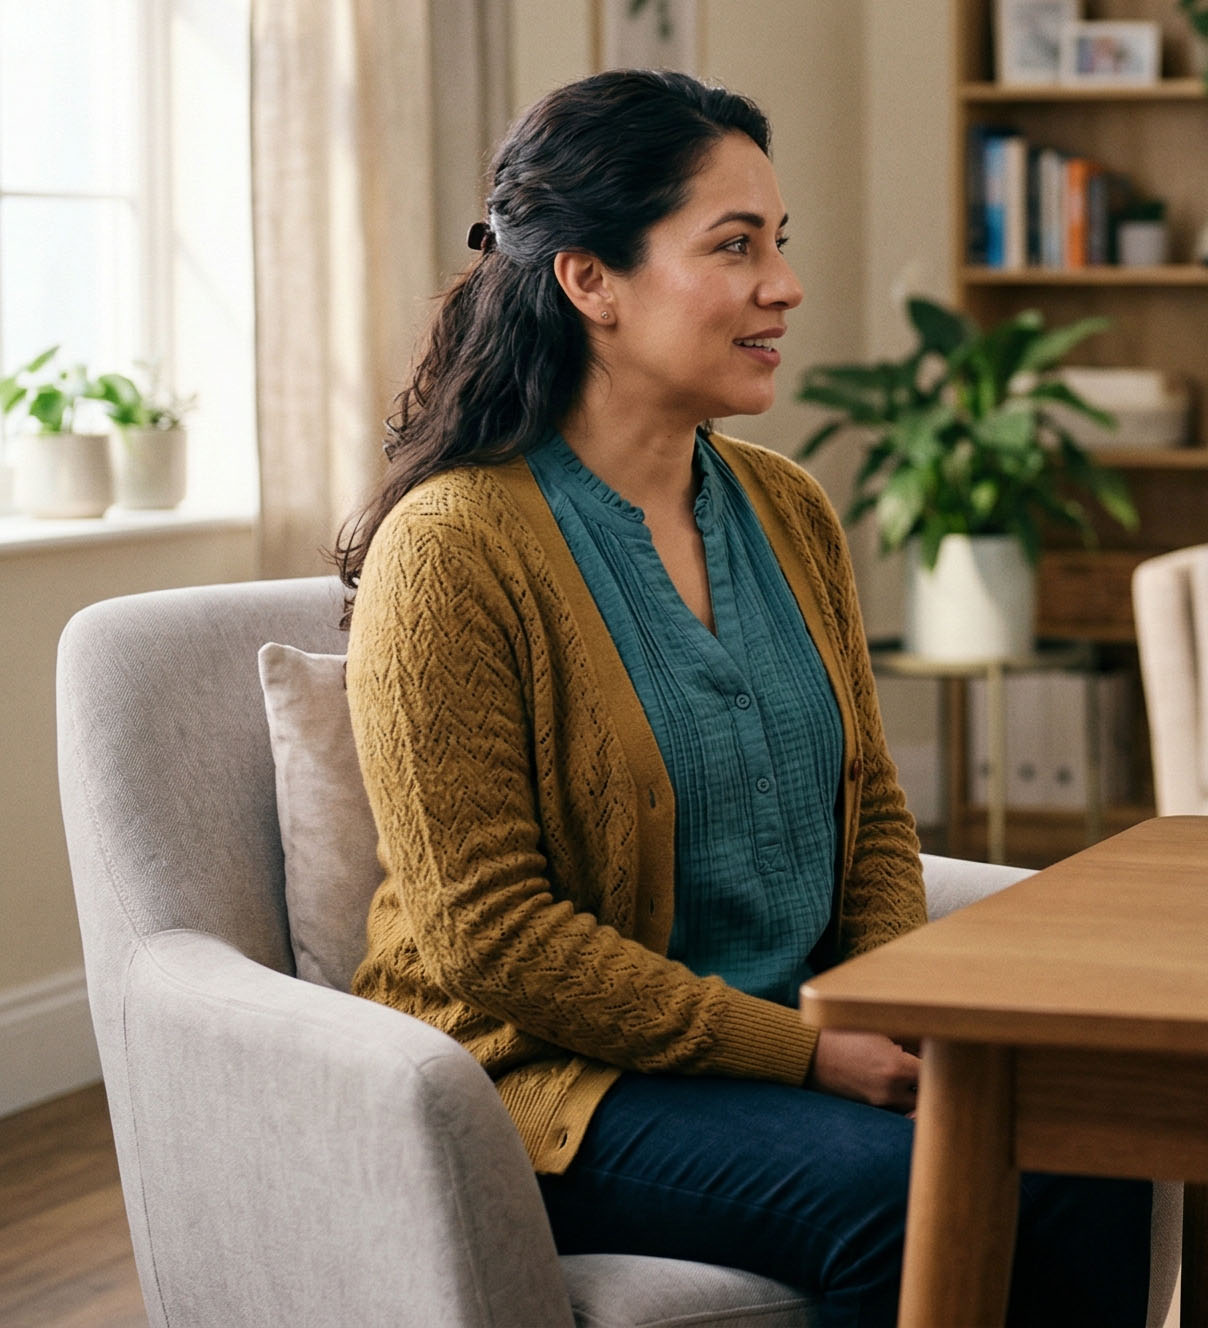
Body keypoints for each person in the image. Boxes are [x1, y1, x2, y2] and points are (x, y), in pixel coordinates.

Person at [338, 71, 1150, 1328]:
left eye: (780, 245)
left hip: (793, 1041)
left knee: (1103, 1152)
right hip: (559, 1078)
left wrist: (892, 1010)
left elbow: (870, 804)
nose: (785, 286)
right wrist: (812, 1052)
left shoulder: (785, 506)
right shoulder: (454, 548)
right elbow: (488, 934)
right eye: (735, 247)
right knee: (905, 1195)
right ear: (589, 280)